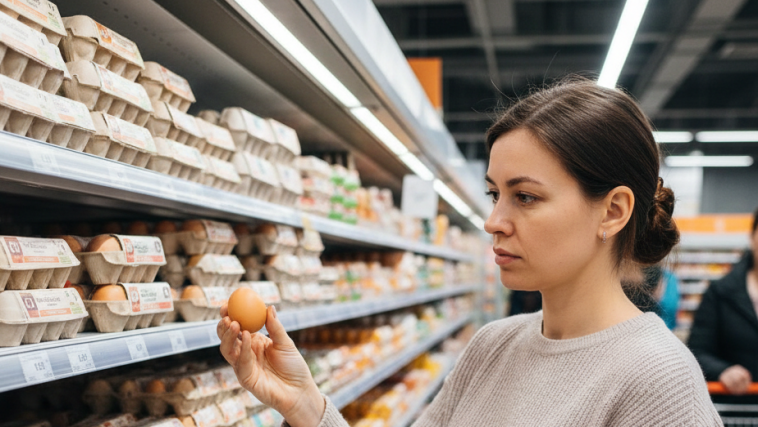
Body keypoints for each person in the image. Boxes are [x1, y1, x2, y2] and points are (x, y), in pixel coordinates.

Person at [217, 78, 722, 426]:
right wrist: (305, 403)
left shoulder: (660, 381)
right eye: (494, 194)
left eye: (525, 197)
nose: (494, 221)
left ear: (612, 211)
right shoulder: (491, 347)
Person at [688, 208, 758, 397]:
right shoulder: (720, 292)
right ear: (752, 237)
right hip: (736, 407)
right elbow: (697, 351)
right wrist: (723, 370)